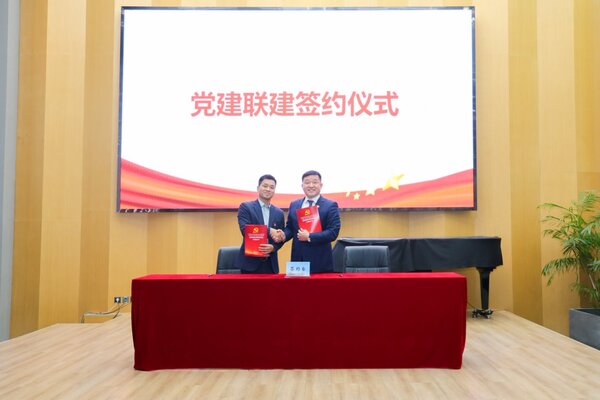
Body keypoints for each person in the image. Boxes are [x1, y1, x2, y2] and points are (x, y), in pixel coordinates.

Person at [275, 170, 341, 273]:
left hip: (320, 261)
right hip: (298, 260)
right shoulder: (294, 204)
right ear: (302, 186)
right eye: (307, 182)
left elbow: (333, 232)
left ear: (321, 185)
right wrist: (283, 235)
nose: (311, 185)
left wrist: (309, 236)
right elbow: (290, 228)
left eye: (315, 182)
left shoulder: (330, 205)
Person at [235, 174, 285, 274]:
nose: (268, 189)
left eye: (272, 187)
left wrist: (274, 247)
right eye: (265, 186)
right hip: (250, 263)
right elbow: (245, 230)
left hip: (270, 264)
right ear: (258, 188)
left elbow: (280, 237)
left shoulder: (279, 212)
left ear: (274, 191)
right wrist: (269, 230)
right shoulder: (246, 207)